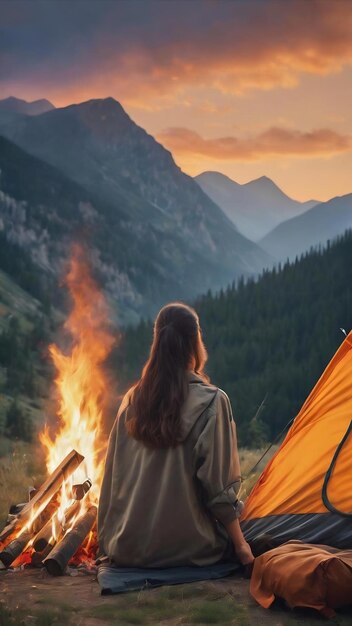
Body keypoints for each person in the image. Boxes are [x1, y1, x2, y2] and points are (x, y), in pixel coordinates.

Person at [98, 302, 254, 568]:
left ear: (157, 342)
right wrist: (242, 547)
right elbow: (220, 492)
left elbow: (112, 478)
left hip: (126, 546)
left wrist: (110, 538)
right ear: (195, 342)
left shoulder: (132, 399)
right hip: (185, 549)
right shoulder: (212, 401)